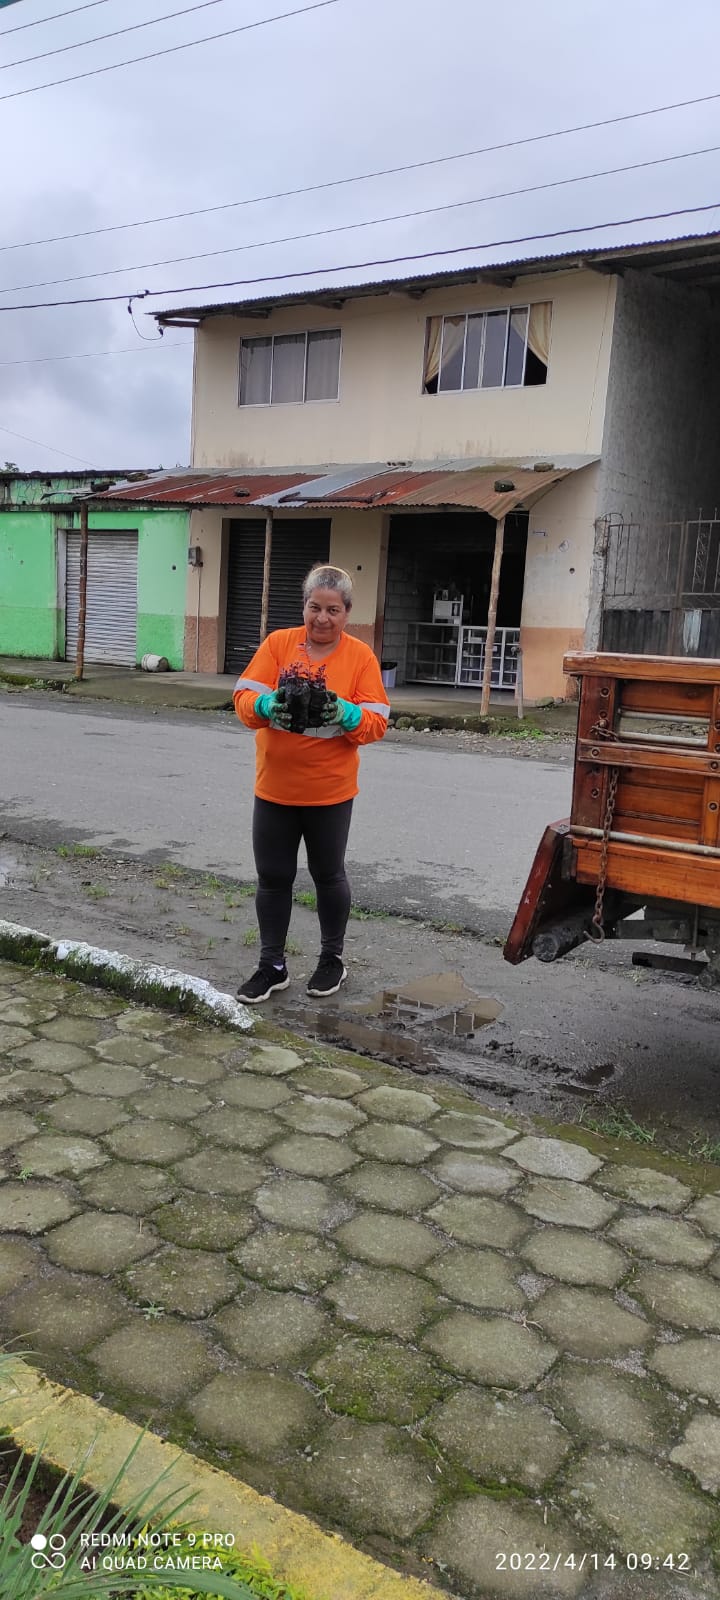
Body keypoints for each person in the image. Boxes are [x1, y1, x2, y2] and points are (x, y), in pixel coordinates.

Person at [233, 564, 390, 1002]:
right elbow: (243, 697)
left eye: (333, 610)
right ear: (304, 606)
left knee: (328, 875)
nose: (322, 618)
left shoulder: (360, 657)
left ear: (347, 613)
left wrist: (350, 714)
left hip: (329, 793)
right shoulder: (278, 645)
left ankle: (331, 960)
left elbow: (377, 721)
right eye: (314, 607)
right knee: (273, 877)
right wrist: (264, 705)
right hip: (275, 789)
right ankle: (271, 966)